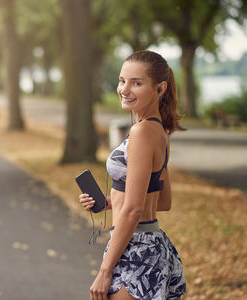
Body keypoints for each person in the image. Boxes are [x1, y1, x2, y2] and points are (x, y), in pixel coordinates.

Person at [79, 50, 187, 300]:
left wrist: (105, 271)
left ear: (160, 89)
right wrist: (109, 202)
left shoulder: (141, 133)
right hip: (152, 247)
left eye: (136, 83)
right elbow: (162, 201)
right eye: (122, 80)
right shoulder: (159, 131)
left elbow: (134, 209)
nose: (124, 89)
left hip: (136, 253)